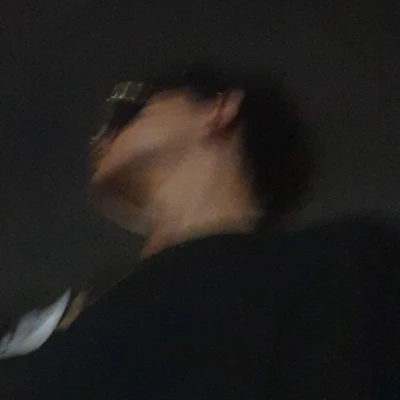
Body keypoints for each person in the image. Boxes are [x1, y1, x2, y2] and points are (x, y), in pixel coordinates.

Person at [2, 64, 399, 399]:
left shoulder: (341, 266)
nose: (101, 138)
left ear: (219, 110)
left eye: (129, 111)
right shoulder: (64, 316)